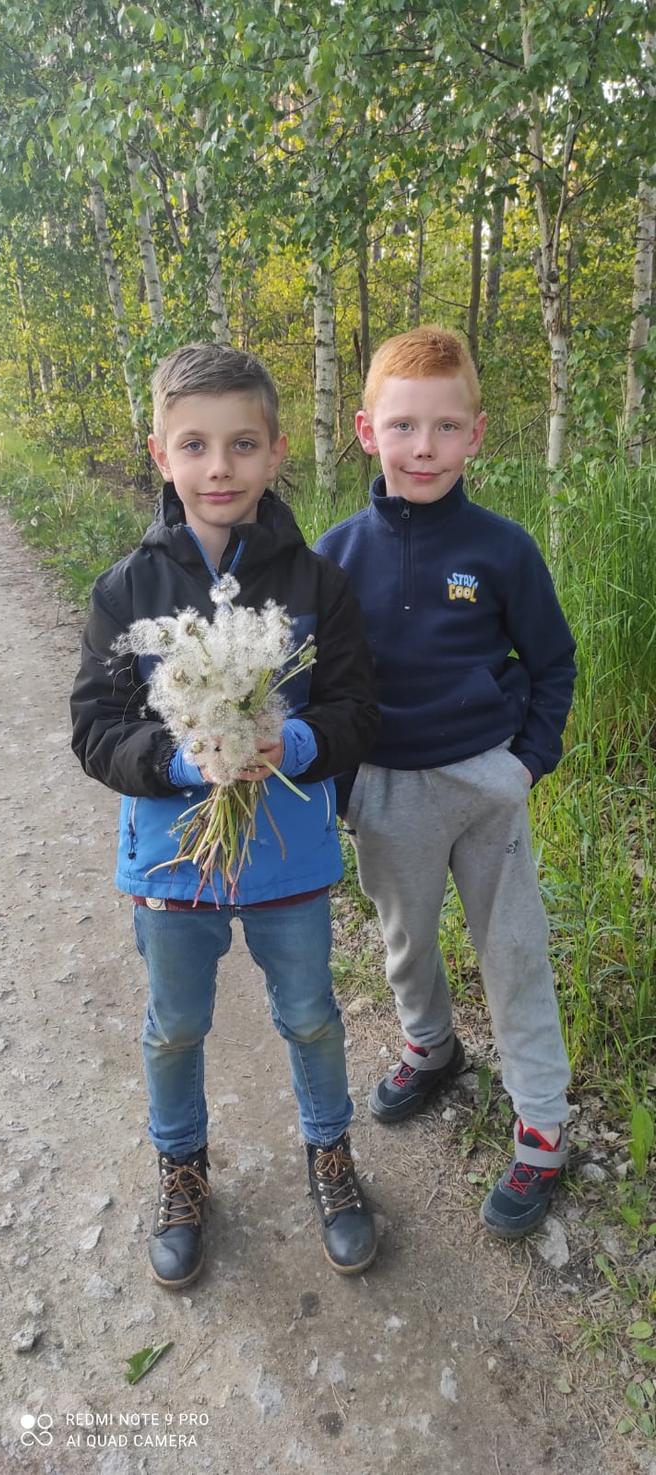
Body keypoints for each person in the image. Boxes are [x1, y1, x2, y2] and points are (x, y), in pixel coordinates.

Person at [71, 342, 379, 1288]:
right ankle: (182, 1167)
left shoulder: (318, 584)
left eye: (242, 445)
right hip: (172, 863)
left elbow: (357, 711)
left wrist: (289, 747)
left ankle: (330, 1154)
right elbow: (93, 726)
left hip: (288, 859)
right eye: (195, 445)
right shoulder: (127, 591)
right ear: (160, 453)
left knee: (312, 1014)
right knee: (174, 1026)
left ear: (276, 452)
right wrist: (172, 758)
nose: (219, 468)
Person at [315, 325, 576, 1240]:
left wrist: (523, 762)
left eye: (445, 427)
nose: (423, 448)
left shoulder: (503, 549)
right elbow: (319, 683)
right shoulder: (334, 555)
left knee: (514, 950)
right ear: (365, 430)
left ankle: (543, 1122)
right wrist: (344, 788)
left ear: (477, 433)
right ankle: (431, 1047)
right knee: (404, 940)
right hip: (384, 788)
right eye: (403, 426)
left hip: (484, 784)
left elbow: (553, 662)